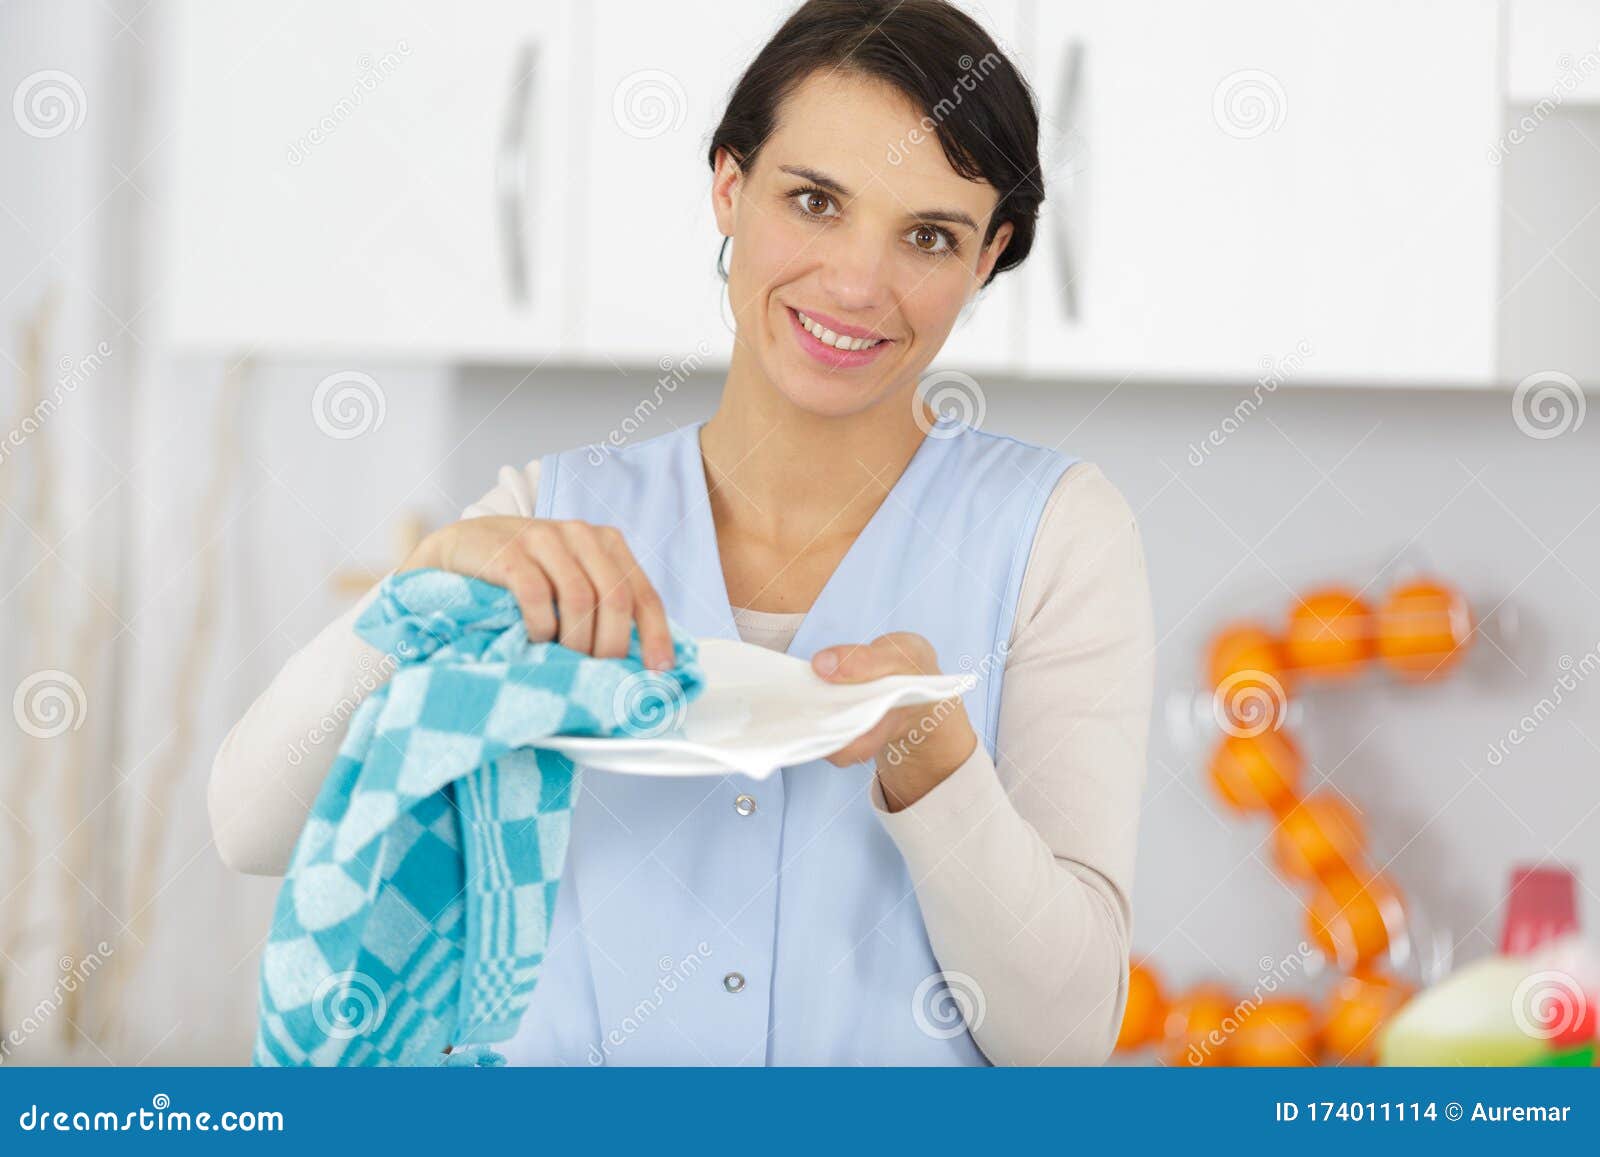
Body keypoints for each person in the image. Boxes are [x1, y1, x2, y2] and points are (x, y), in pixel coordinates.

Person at [209, 0, 1153, 1066]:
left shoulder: (1056, 535)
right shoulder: (547, 518)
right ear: (728, 188)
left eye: (928, 235)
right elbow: (251, 825)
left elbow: (1064, 1041)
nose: (856, 284)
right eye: (814, 201)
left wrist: (934, 759)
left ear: (989, 256)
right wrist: (420, 593)